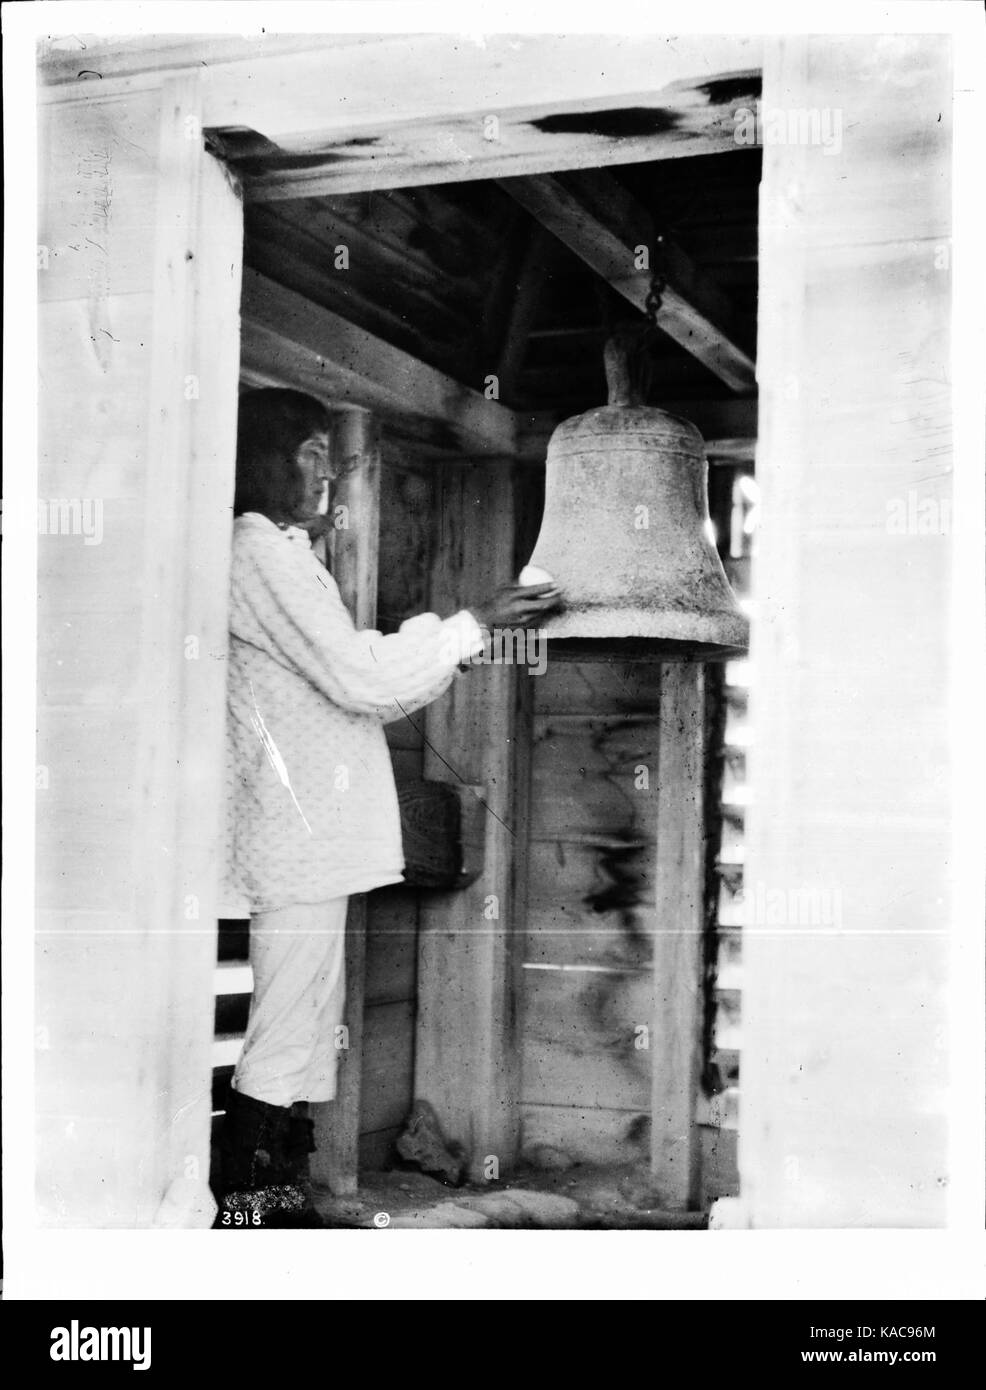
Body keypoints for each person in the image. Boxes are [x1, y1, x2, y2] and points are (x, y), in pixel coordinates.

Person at [217, 389, 560, 1227]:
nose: (323, 472)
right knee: (290, 1020)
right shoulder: (256, 550)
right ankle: (249, 1213)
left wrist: (458, 636)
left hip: (308, 832)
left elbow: (348, 669)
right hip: (291, 829)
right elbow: (362, 679)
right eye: (305, 453)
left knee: (307, 1018)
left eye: (325, 456)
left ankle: (275, 1200)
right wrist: (471, 624)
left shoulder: (281, 554)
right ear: (257, 463)